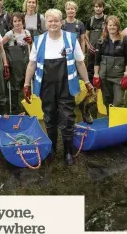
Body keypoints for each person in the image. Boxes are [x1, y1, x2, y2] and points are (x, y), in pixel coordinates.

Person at [23, 9, 93, 165]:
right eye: (50, 21)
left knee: (67, 117)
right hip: (46, 86)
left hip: (66, 85)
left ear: (61, 22)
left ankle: (68, 152)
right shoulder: (39, 40)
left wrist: (87, 82)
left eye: (56, 20)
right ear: (45, 23)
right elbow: (32, 64)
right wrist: (27, 84)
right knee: (49, 117)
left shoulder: (71, 39)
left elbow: (80, 62)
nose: (53, 23)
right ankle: (52, 149)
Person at [93, 16, 127, 111]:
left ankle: (119, 122)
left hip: (118, 76)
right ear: (106, 26)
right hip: (104, 76)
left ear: (118, 26)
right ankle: (110, 121)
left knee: (118, 102)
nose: (112, 27)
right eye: (110, 25)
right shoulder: (101, 41)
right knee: (107, 101)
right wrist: (96, 75)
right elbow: (97, 60)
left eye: (114, 25)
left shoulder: (124, 40)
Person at [1, 12, 32, 114]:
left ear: (23, 21)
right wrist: (5, 61)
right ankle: (15, 110)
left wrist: (31, 43)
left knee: (27, 85)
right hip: (14, 66)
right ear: (12, 23)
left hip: (26, 64)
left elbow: (32, 49)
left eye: (19, 21)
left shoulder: (27, 33)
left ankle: (27, 109)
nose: (17, 23)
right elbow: (0, 44)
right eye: (15, 21)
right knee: (14, 88)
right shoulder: (10, 34)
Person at [85, 0, 107, 82]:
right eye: (96, 6)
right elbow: (86, 34)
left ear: (103, 8)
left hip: (104, 48)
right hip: (92, 49)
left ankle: (101, 88)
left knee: (102, 67)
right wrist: (88, 46)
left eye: (100, 6)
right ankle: (91, 88)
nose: (98, 8)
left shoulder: (107, 19)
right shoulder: (90, 20)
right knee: (90, 68)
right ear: (94, 8)